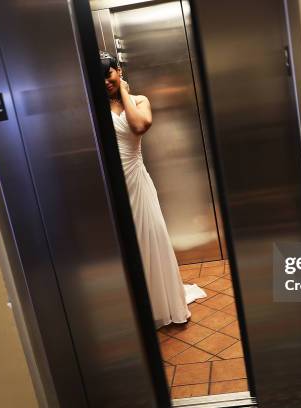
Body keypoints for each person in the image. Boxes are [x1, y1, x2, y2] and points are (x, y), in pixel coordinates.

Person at [99, 51, 205, 328]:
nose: (105, 81)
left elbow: (139, 125)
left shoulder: (139, 100)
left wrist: (122, 90)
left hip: (137, 181)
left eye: (109, 74)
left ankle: (161, 304)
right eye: (100, 78)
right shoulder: (95, 107)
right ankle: (137, 308)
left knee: (151, 237)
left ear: (118, 70)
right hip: (113, 186)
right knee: (126, 245)